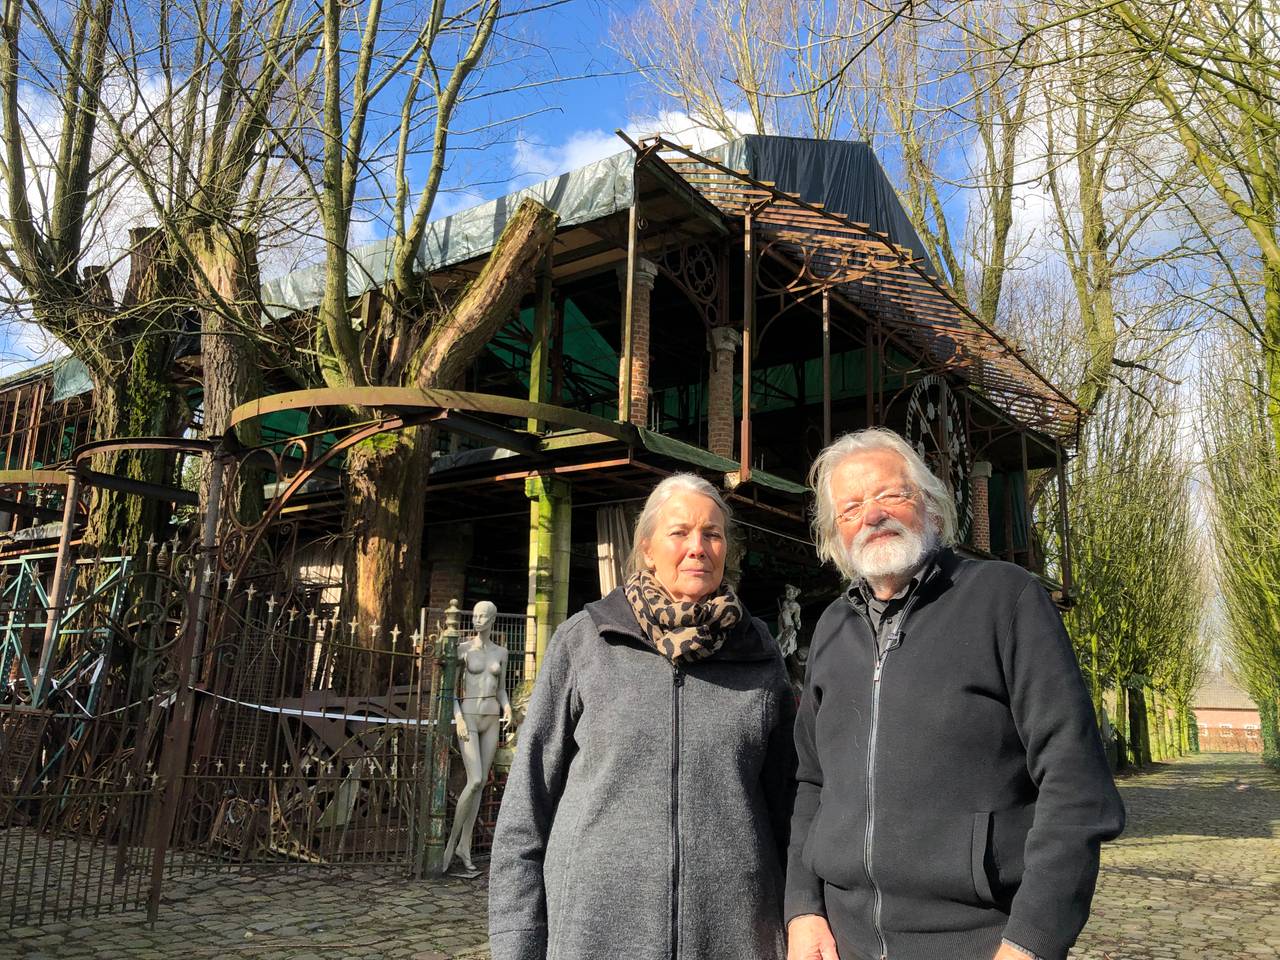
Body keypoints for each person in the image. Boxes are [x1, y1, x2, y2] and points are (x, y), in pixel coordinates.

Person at [786, 428, 1124, 960]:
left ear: (931, 506)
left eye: (891, 493)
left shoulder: (1006, 598)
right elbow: (812, 781)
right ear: (835, 536)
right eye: (850, 508)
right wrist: (803, 908)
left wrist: (1033, 939)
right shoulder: (831, 627)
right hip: (843, 942)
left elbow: (1074, 782)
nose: (873, 515)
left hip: (978, 939)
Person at [489, 473, 796, 960]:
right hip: (596, 932)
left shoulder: (759, 652)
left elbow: (789, 806)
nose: (697, 548)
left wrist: (800, 918)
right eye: (680, 532)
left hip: (734, 933)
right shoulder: (585, 641)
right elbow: (527, 805)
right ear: (648, 549)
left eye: (712, 534)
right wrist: (517, 941)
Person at [442, 600, 511, 875]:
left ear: (492, 619)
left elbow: (501, 689)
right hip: (469, 717)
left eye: (483, 616)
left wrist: (507, 707)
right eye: (475, 615)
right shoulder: (463, 650)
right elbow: (449, 690)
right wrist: (458, 717)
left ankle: (465, 847)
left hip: (492, 717)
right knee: (476, 779)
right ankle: (450, 845)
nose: (478, 620)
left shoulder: (502, 652)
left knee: (481, 786)